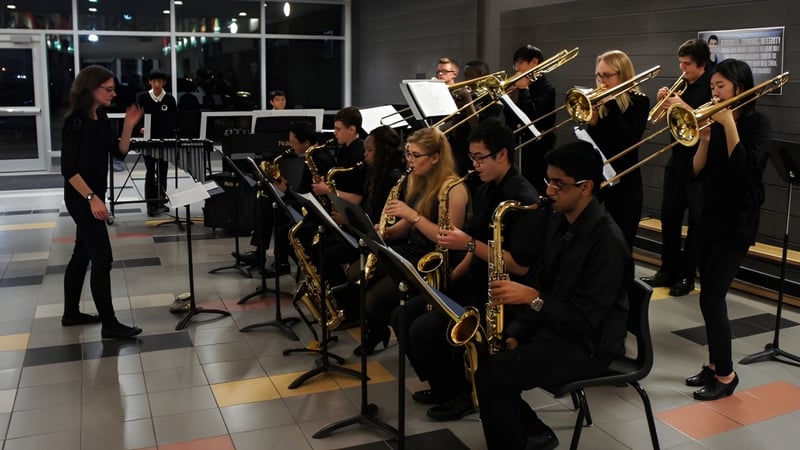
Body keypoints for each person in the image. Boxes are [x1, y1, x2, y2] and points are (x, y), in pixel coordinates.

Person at [476, 140, 632, 450]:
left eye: (559, 184)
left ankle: (526, 437)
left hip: (591, 347)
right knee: (482, 354)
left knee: (494, 375)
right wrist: (517, 332)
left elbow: (585, 322)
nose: (548, 191)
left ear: (586, 187)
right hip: (557, 328)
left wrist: (532, 299)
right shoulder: (562, 221)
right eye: (548, 181)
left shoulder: (608, 245)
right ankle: (533, 433)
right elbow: (542, 279)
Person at [395, 119, 546, 422]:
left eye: (480, 158)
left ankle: (462, 394)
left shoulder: (522, 200)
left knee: (424, 330)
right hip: (473, 281)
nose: (474, 165)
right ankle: (443, 385)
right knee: (403, 314)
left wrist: (466, 245)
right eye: (472, 158)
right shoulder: (487, 188)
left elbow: (519, 265)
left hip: (500, 295)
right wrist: (453, 276)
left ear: (502, 155)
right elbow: (473, 245)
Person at [686, 59, 771, 401]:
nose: (715, 92)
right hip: (709, 216)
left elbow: (742, 169)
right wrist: (705, 139)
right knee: (707, 296)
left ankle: (726, 374)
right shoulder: (716, 123)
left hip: (738, 221)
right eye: (712, 87)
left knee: (712, 297)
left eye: (720, 86)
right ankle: (713, 364)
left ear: (740, 87)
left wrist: (728, 123)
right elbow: (695, 171)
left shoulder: (757, 124)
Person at [355, 127, 469, 356]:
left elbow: (448, 239)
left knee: (374, 298)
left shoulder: (453, 188)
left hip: (435, 261)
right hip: (412, 250)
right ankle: (378, 328)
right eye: (409, 154)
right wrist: (386, 232)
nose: (410, 161)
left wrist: (413, 215)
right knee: (356, 274)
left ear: (435, 157)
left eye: (416, 155)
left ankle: (388, 332)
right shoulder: (418, 181)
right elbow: (406, 226)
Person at [60, 65, 144, 339]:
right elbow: (69, 170)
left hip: (95, 195)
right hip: (81, 197)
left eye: (113, 89)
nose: (113, 93)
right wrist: (92, 199)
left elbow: (119, 153)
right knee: (102, 258)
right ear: (90, 89)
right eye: (108, 89)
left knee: (81, 254)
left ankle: (71, 313)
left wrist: (129, 125)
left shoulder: (102, 117)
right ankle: (110, 324)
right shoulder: (75, 122)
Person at [641, 39, 713, 296]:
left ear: (702, 64)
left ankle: (687, 275)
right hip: (677, 157)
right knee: (669, 215)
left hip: (700, 161)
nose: (682, 68)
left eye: (687, 64)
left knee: (695, 221)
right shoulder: (682, 84)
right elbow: (671, 121)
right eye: (680, 62)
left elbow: (707, 120)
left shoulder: (711, 87)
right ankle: (667, 269)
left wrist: (680, 104)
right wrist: (664, 103)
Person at [586, 50, 649, 252]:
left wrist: (611, 104)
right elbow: (595, 145)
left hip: (626, 182)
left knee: (621, 244)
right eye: (598, 75)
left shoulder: (639, 101)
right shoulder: (598, 103)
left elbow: (629, 142)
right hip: (600, 178)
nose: (601, 81)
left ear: (622, 75)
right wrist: (593, 123)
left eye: (607, 75)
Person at [506, 44, 557, 193]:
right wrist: (508, 99)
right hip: (519, 148)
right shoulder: (521, 87)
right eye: (515, 63)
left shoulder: (546, 88)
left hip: (538, 151)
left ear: (534, 62)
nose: (516, 68)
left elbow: (534, 121)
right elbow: (511, 122)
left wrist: (524, 90)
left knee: (534, 190)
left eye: (520, 62)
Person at [136, 68, 178, 217]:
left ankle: (161, 200)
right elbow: (137, 118)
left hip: (164, 141)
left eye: (159, 81)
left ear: (164, 82)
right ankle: (150, 203)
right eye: (154, 81)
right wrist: (140, 128)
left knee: (163, 170)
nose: (157, 85)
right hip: (148, 141)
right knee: (150, 171)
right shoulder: (143, 98)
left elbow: (174, 120)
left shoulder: (170, 99)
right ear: (150, 82)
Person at [311, 106, 366, 205]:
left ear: (352, 129)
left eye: (338, 129)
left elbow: (357, 198)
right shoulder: (345, 149)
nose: (334, 132)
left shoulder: (359, 154)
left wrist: (327, 190)